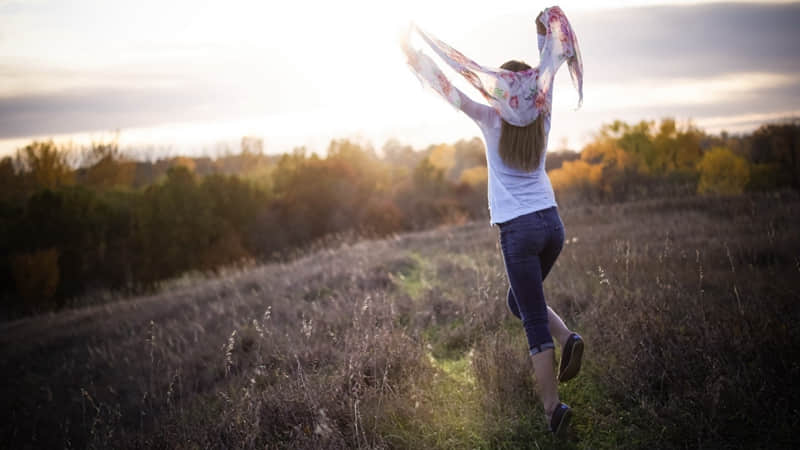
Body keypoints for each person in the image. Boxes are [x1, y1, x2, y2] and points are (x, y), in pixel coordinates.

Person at [401, 6, 585, 436]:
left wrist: (413, 56)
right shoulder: (543, 113)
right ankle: (569, 340)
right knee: (518, 302)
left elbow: (448, 87)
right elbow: (549, 69)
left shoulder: (489, 117)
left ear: (502, 92)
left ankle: (552, 410)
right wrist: (543, 30)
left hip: (518, 232)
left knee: (531, 317)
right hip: (552, 226)